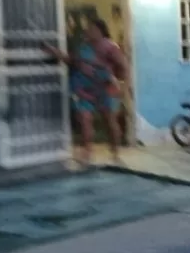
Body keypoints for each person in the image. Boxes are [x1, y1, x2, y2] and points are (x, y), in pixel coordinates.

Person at [42, 18, 129, 165]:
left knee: (109, 121)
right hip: (84, 90)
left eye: (92, 28)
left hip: (105, 88)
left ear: (100, 30)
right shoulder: (84, 47)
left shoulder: (109, 47)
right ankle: (87, 153)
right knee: (84, 119)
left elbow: (124, 66)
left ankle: (115, 152)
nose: (88, 31)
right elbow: (72, 60)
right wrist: (54, 52)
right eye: (88, 29)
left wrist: (124, 88)